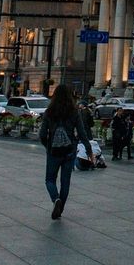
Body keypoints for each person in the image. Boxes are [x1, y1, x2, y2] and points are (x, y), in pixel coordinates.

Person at [38, 84, 91, 220]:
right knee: (65, 181)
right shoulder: (74, 111)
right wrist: (89, 149)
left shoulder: (49, 112)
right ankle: (60, 209)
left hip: (54, 151)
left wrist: (48, 146)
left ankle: (56, 200)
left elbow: (42, 134)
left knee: (50, 179)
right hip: (69, 150)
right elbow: (82, 132)